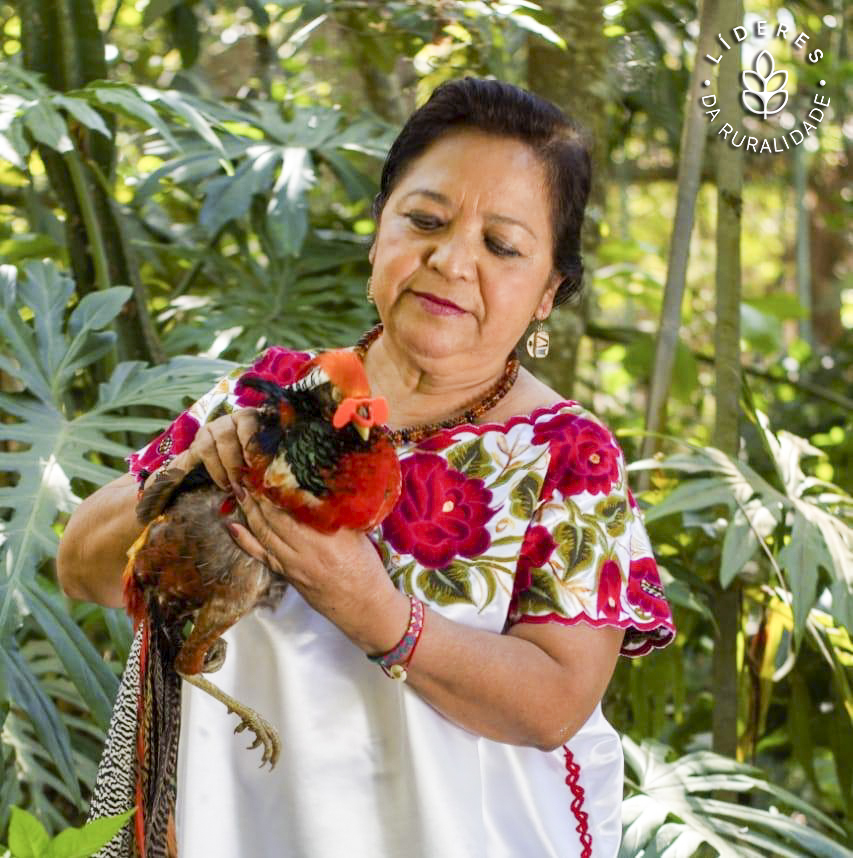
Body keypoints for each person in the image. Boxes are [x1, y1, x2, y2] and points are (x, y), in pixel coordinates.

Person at [58, 77, 676, 858]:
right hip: (232, 833)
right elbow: (79, 567)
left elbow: (554, 702)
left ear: (548, 290)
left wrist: (372, 610)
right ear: (378, 228)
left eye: (501, 246)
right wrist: (190, 470)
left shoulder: (566, 455)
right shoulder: (267, 393)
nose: (451, 261)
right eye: (424, 220)